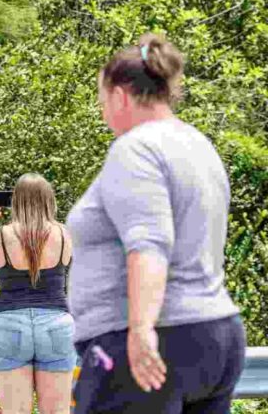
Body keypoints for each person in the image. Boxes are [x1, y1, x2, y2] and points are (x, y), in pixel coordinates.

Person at [67, 34, 245, 414]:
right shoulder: (198, 145)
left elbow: (149, 244)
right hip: (216, 334)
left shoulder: (136, 148)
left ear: (120, 96)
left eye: (102, 102)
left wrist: (141, 328)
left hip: (152, 344)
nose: (103, 113)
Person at [0, 173, 76, 414]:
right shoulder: (65, 234)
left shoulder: (1, 236)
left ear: (16, 201)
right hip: (56, 326)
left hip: (10, 326)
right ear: (49, 200)